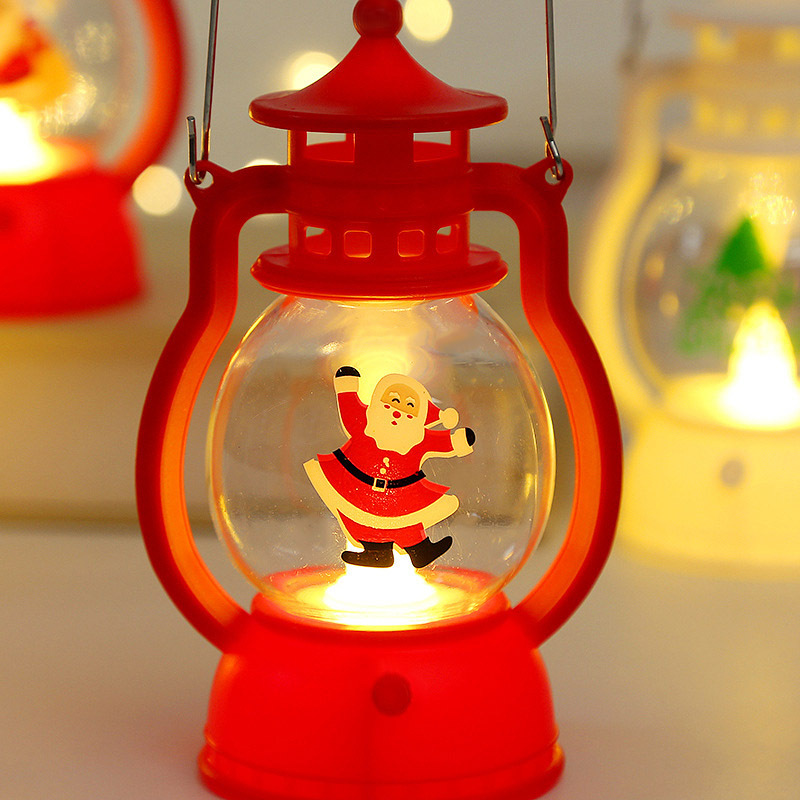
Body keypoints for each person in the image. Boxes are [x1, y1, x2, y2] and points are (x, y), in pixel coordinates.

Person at [304, 367, 475, 569]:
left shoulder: (418, 438)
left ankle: (421, 551)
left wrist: (459, 440)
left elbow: (442, 442)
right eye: (392, 400)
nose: (397, 410)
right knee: (361, 522)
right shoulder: (364, 423)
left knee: (408, 521)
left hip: (401, 495)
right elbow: (350, 409)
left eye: (410, 406)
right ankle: (376, 553)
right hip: (359, 490)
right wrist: (347, 387)